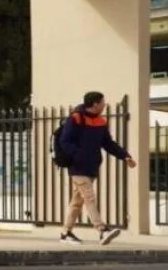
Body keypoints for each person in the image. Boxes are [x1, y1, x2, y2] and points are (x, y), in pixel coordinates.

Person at [57, 91, 137, 246]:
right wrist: (78, 155)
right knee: (89, 197)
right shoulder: (75, 118)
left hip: (92, 166)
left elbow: (108, 144)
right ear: (95, 104)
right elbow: (64, 141)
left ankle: (65, 233)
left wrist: (125, 156)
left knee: (77, 202)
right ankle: (102, 230)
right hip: (77, 167)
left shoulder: (101, 121)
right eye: (102, 102)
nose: (104, 105)